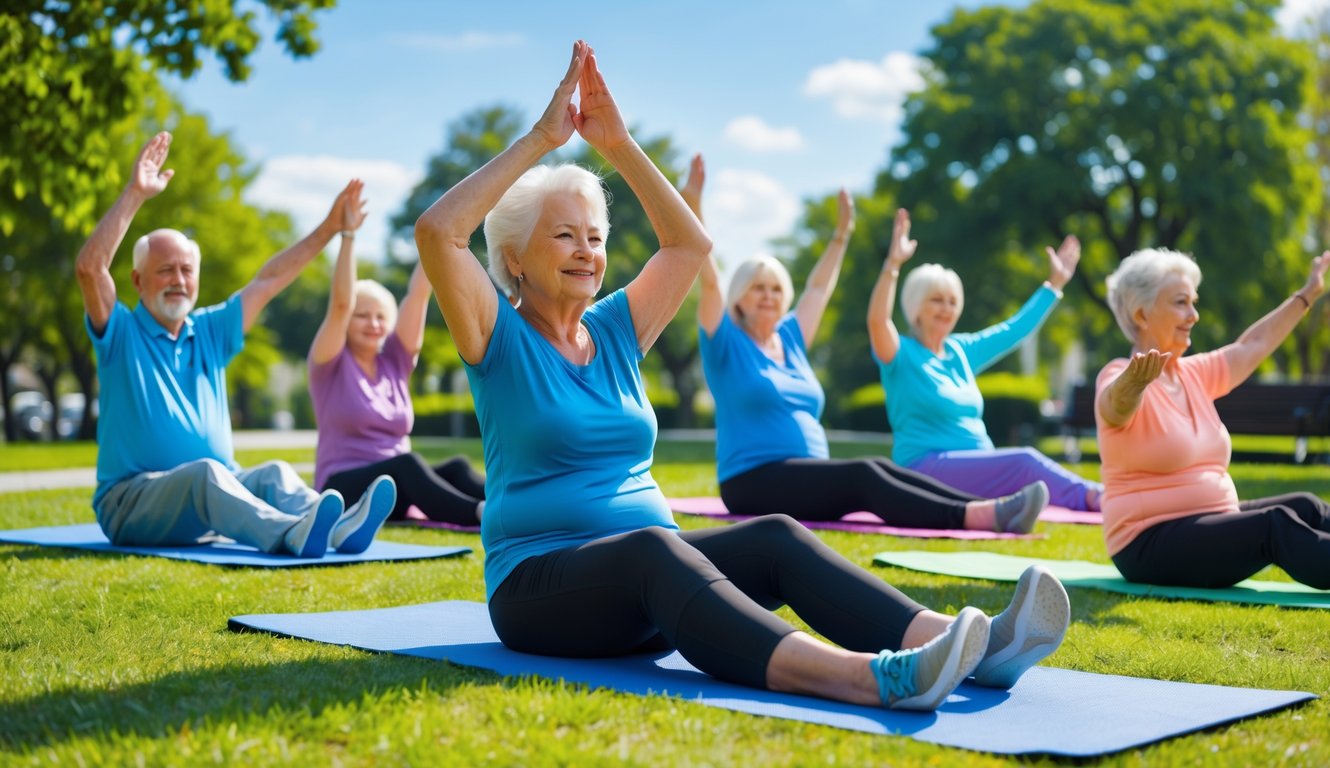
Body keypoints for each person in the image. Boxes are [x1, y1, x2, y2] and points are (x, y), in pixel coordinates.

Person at [414, 41, 1069, 710]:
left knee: (775, 536)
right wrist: (542, 140)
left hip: (648, 588)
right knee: (654, 549)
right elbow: (439, 231)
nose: (586, 250)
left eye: (595, 236)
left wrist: (616, 144)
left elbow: (689, 245)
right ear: (515, 259)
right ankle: (869, 677)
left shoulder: (613, 329)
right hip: (541, 590)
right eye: (563, 236)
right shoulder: (495, 333)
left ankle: (980, 646)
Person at [74, 132, 396, 558]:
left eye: (187, 270)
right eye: (166, 270)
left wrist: (331, 229)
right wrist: (136, 193)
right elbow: (90, 268)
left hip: (214, 491)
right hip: (131, 502)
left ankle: (337, 526)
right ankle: (291, 532)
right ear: (137, 280)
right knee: (206, 473)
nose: (179, 280)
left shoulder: (209, 331)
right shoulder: (120, 333)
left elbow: (269, 280)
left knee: (273, 474)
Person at [687, 155, 1049, 534]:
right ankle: (976, 517)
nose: (768, 296)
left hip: (807, 474)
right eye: (758, 288)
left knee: (882, 468)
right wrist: (694, 205)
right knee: (864, 475)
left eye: (776, 288)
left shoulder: (790, 338)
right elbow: (709, 280)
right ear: (739, 297)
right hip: (752, 480)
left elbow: (818, 288)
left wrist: (841, 235)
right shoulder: (724, 341)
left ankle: (983, 507)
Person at [1095, 248, 1330, 589]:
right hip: (1147, 542)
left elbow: (1254, 344)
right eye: (1180, 302)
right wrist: (1133, 384)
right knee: (1275, 526)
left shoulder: (1193, 374)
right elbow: (1114, 407)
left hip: (1213, 517)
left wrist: (1307, 294)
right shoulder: (1118, 375)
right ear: (1141, 313)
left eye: (1194, 302)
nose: (1193, 315)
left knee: (1305, 505)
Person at [867, 209, 1103, 511]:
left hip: (977, 466)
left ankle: (1015, 508)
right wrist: (893, 265)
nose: (946, 309)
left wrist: (1053, 285)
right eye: (936, 300)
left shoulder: (961, 350)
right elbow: (877, 321)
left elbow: (1014, 330)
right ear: (915, 306)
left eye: (953, 301)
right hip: (923, 468)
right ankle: (1094, 498)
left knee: (1027, 472)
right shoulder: (900, 353)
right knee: (1025, 461)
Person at [307, 181, 485, 527]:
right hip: (344, 489)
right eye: (362, 315)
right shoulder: (329, 364)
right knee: (407, 465)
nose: (373, 323)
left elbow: (418, 294)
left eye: (380, 317)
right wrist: (347, 237)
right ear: (347, 321)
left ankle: (519, 503)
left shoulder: (395, 361)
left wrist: (444, 230)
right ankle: (482, 515)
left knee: (458, 468)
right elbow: (340, 304)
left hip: (398, 488)